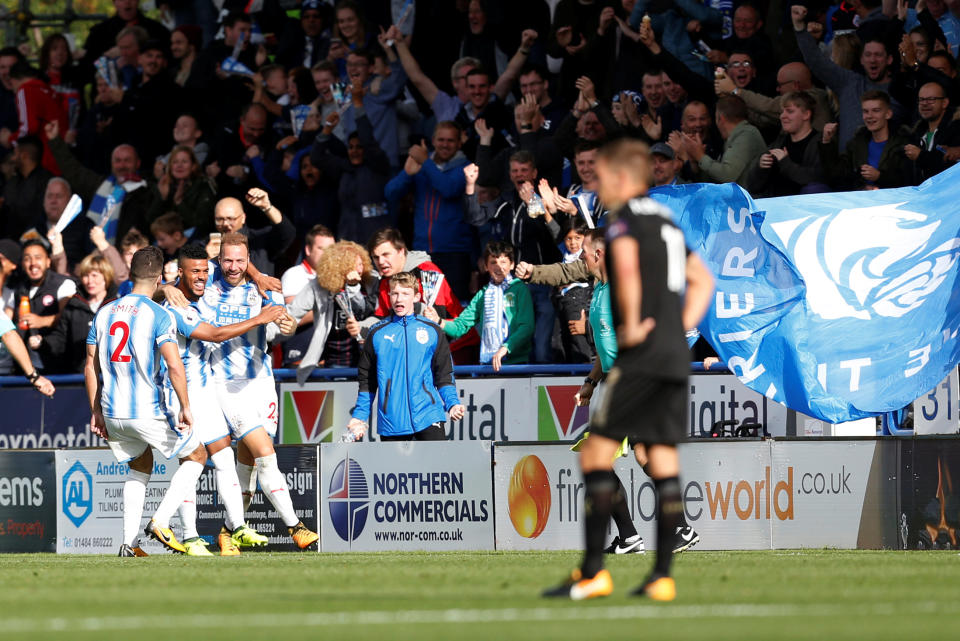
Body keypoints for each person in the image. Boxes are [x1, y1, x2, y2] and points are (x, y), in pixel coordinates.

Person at [544, 139, 713, 601]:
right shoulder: (666, 224)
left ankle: (595, 572)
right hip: (671, 356)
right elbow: (703, 281)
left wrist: (636, 330)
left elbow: (631, 279)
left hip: (640, 359)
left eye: (602, 176)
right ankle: (661, 576)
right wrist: (677, 328)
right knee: (660, 459)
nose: (598, 184)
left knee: (595, 457)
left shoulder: (625, 227)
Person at [517, 228, 701, 556]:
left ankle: (633, 536)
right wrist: (590, 382)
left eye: (584, 251)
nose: (580, 257)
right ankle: (677, 529)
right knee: (645, 456)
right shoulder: (600, 288)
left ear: (598, 255)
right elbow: (607, 348)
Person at [83, 246, 206, 557]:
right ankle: (161, 522)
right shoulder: (158, 314)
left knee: (140, 465)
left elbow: (90, 365)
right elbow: (174, 365)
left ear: (132, 273)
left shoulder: (105, 311)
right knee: (197, 456)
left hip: (112, 411)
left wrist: (95, 410)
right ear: (158, 276)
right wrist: (186, 406)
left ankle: (128, 544)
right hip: (144, 409)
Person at [198, 232, 319, 549]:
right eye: (228, 260)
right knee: (267, 456)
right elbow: (216, 334)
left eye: (240, 260)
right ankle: (296, 527)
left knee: (248, 468)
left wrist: (286, 324)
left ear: (248, 260)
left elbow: (286, 324)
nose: (233, 266)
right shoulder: (209, 291)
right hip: (226, 386)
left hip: (261, 383)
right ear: (219, 260)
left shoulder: (264, 288)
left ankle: (227, 533)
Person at [166, 243, 286, 556]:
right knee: (193, 460)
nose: (203, 277)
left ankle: (236, 527)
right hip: (182, 394)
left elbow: (238, 264)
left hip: (206, 389)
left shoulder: (205, 288)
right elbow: (216, 335)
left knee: (221, 458)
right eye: (196, 271)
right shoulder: (174, 306)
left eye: (206, 271)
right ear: (181, 272)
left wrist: (257, 274)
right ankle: (182, 531)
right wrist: (164, 287)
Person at [345, 272, 465, 442]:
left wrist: (452, 403)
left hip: (429, 416)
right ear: (389, 296)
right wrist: (359, 415)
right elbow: (367, 381)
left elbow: (444, 375)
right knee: (394, 469)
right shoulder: (377, 333)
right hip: (391, 421)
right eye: (394, 293)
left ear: (416, 297)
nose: (399, 299)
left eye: (405, 294)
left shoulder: (432, 330)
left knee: (437, 467)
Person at [384, 122, 472, 299]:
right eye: (441, 140)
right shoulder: (423, 168)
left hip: (454, 253)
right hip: (422, 252)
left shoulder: (465, 167)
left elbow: (449, 189)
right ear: (433, 140)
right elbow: (390, 193)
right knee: (424, 307)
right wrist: (407, 174)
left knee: (454, 309)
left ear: (459, 143)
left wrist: (425, 162)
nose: (445, 144)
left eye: (450, 140)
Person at [425, 241, 534, 370]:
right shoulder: (483, 294)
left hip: (516, 365)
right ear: (486, 266)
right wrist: (437, 320)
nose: (499, 267)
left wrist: (506, 348)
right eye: (493, 262)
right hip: (488, 366)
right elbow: (460, 326)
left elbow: (526, 327)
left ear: (512, 265)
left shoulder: (519, 289)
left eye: (503, 262)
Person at [286, 240, 376, 380]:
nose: (359, 269)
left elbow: (363, 309)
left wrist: (353, 287)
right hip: (332, 361)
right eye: (354, 265)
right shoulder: (320, 284)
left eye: (361, 264)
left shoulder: (370, 281)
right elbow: (293, 312)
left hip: (363, 358)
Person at [32, 254, 117, 374]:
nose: (89, 281)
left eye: (94, 275)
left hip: (110, 376)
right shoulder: (73, 305)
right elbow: (61, 339)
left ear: (106, 277)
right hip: (79, 374)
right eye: (86, 275)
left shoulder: (117, 306)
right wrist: (42, 342)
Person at [8, 239, 78, 373]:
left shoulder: (64, 284)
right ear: (22, 264)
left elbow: (68, 317)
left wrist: (42, 321)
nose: (33, 263)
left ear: (48, 261)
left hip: (59, 366)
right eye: (27, 259)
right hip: (26, 369)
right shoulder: (18, 289)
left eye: (38, 258)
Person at [820, 90, 910, 190]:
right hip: (860, 200)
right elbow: (838, 175)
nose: (869, 116)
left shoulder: (903, 143)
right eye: (865, 111)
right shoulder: (857, 142)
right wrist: (826, 142)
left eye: (876, 110)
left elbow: (909, 180)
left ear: (888, 114)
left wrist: (879, 177)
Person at [211, 190, 295, 279]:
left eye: (231, 218)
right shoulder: (207, 244)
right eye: (220, 219)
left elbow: (287, 233)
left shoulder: (260, 239)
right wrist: (208, 259)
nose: (225, 224)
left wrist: (267, 207)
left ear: (243, 218)